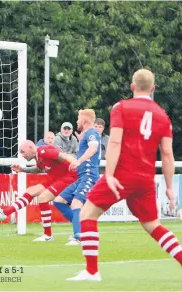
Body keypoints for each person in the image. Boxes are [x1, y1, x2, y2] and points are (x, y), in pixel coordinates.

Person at [67, 69, 182, 281]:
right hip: (146, 179)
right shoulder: (162, 115)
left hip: (122, 175)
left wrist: (109, 174)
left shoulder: (121, 107)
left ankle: (92, 271)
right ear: (153, 88)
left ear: (132, 86)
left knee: (87, 214)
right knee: (152, 225)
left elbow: (115, 141)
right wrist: (168, 186)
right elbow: (167, 153)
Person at [0, 140, 77, 241]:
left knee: (43, 198)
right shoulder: (38, 157)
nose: (22, 155)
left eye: (23, 151)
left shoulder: (45, 151)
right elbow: (38, 169)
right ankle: (5, 212)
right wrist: (23, 170)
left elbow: (64, 156)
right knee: (31, 191)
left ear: (30, 148)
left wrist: (75, 163)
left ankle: (49, 235)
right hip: (56, 178)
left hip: (69, 177)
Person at [53, 109, 100, 246]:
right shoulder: (86, 135)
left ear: (84, 121)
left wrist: (78, 161)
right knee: (59, 201)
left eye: (78, 119)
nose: (77, 121)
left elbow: (93, 149)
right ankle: (83, 229)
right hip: (82, 177)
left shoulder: (91, 133)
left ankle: (79, 236)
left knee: (75, 204)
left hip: (89, 175)